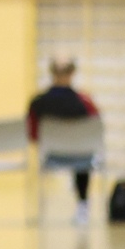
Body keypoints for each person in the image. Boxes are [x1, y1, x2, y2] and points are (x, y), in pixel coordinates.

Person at [26, 57, 99, 216]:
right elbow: (95, 130)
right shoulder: (85, 103)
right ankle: (82, 203)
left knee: (81, 151)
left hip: (51, 156)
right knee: (83, 153)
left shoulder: (37, 103)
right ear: (72, 73)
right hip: (81, 157)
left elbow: (32, 134)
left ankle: (40, 211)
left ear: (51, 72)